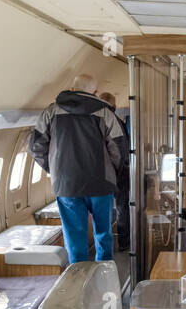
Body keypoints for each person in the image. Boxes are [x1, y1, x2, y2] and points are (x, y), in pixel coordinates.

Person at [29, 74, 125, 264]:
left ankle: (77, 279)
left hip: (67, 185)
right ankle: (104, 276)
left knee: (74, 238)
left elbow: (36, 147)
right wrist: (112, 172)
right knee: (103, 234)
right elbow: (118, 148)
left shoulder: (51, 112)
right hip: (101, 183)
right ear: (95, 92)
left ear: (72, 89)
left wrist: (55, 169)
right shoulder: (105, 113)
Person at [98, 91, 131, 252]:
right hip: (118, 172)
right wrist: (120, 170)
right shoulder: (116, 121)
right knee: (122, 207)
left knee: (103, 212)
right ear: (115, 106)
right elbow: (121, 149)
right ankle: (124, 243)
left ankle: (104, 249)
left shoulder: (92, 120)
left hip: (98, 174)